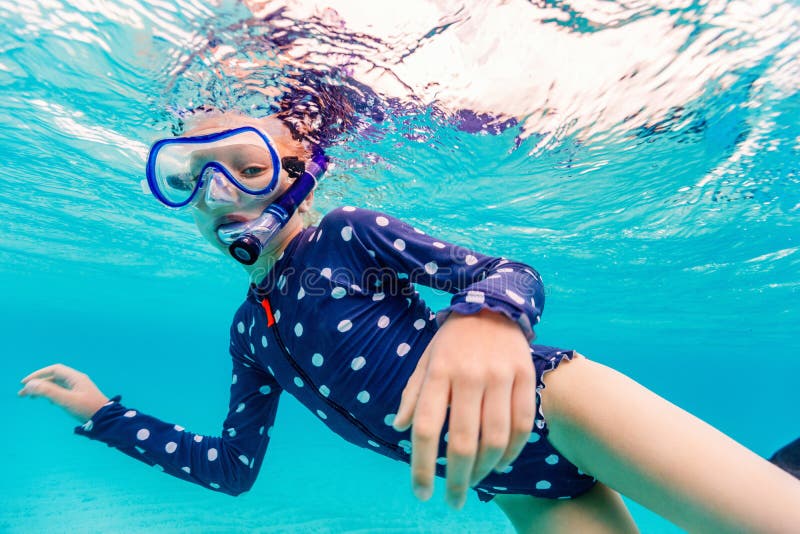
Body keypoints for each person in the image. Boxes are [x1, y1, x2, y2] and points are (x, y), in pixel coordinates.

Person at [19, 110, 800, 533]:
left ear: (302, 176)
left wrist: (485, 321)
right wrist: (103, 414)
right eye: (188, 179)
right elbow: (233, 470)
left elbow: (505, 274)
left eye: (245, 166)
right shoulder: (249, 334)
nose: (219, 192)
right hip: (518, 486)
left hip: (560, 409)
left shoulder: (347, 234)